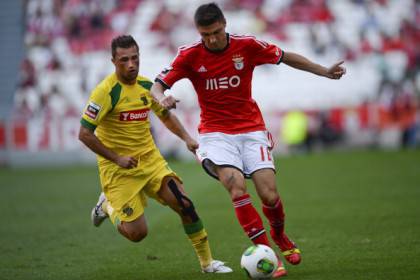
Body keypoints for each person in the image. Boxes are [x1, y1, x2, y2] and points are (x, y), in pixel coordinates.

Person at [151, 3, 346, 278]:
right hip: (215, 134)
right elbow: (157, 85)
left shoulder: (247, 46)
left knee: (269, 194)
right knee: (236, 186)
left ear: (225, 25)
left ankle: (280, 236)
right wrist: (163, 99)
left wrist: (323, 71)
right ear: (199, 32)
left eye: (216, 32)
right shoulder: (189, 55)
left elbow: (286, 57)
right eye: (206, 34)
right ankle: (268, 253)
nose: (212, 39)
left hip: (252, 129)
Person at [78, 35, 232, 274]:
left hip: (151, 162)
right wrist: (117, 158)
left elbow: (166, 116)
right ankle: (106, 207)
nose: (131, 64)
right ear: (113, 61)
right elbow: (84, 134)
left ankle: (207, 263)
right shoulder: (105, 92)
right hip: (119, 170)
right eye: (124, 60)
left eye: (135, 58)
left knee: (185, 205)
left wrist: (188, 139)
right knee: (137, 234)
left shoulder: (147, 87)